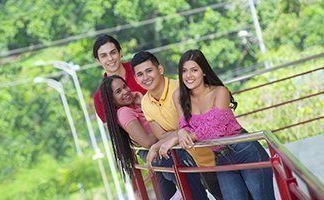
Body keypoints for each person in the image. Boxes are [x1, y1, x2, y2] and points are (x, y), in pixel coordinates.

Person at [173, 49, 275, 200]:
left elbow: (216, 128)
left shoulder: (220, 92)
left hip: (245, 150)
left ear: (204, 72)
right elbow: (184, 125)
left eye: (194, 70)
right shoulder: (180, 96)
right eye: (184, 71)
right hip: (220, 157)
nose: (188, 76)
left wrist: (178, 138)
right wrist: (181, 132)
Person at [131, 51, 223, 199]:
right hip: (188, 161)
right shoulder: (145, 102)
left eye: (149, 71)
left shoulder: (180, 88)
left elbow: (193, 126)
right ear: (136, 79)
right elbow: (160, 135)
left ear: (160, 69)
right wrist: (179, 132)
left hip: (210, 155)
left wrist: (160, 143)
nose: (146, 77)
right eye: (140, 74)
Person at [99, 75, 208, 200]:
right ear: (112, 100)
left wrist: (142, 100)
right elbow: (146, 142)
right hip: (157, 152)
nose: (125, 91)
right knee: (190, 184)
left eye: (125, 87)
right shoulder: (124, 112)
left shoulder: (136, 104)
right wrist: (175, 131)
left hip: (161, 149)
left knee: (170, 189)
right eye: (118, 91)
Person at [92, 34, 146, 123]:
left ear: (120, 53)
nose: (110, 58)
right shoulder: (99, 97)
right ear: (98, 61)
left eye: (113, 52)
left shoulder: (140, 68)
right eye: (104, 56)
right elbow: (114, 132)